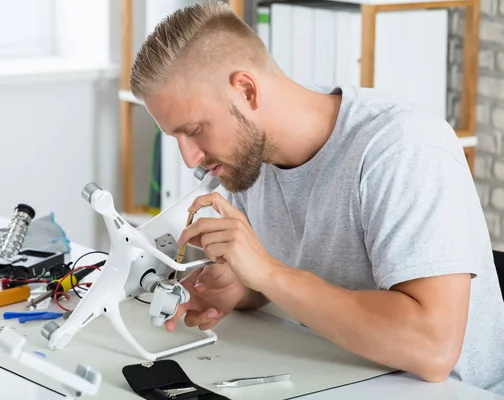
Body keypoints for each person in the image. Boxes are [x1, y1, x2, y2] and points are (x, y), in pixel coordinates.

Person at [129, 1, 504, 395]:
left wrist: (269, 274)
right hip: (335, 375)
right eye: (176, 137)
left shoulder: (402, 148)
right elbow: (297, 286)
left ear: (246, 90)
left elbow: (433, 348)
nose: (190, 158)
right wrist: (242, 286)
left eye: (195, 129)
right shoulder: (247, 160)